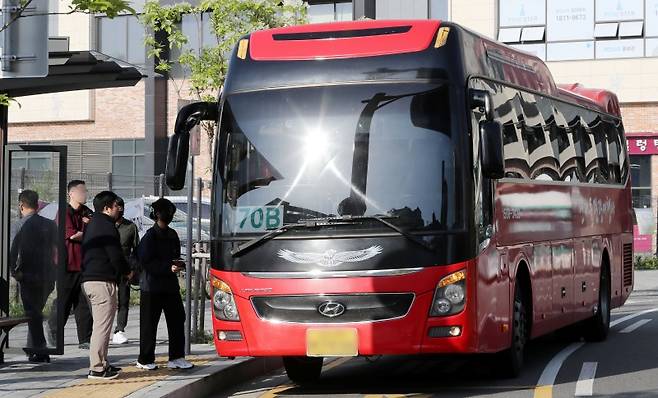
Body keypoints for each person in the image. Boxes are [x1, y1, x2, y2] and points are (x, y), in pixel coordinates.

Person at [136, 198, 193, 371]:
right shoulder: (149, 237)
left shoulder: (172, 234)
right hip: (151, 286)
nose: (167, 215)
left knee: (177, 320)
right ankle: (145, 359)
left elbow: (175, 254)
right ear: (156, 214)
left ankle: (176, 357)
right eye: (164, 212)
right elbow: (145, 261)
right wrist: (167, 267)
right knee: (149, 324)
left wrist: (178, 264)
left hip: (170, 286)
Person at [81, 191, 132, 380]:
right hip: (102, 282)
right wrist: (127, 272)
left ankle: (103, 363)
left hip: (90, 280)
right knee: (102, 327)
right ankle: (97, 368)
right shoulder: (106, 226)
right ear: (107, 208)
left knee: (100, 325)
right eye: (115, 206)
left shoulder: (93, 224)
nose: (118, 208)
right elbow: (115, 255)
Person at [9, 190, 57, 363]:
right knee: (35, 313)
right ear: (37, 205)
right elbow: (58, 249)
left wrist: (14, 272)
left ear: (21, 205)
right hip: (48, 276)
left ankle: (41, 350)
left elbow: (12, 251)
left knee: (33, 314)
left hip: (28, 276)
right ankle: (34, 350)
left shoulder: (19, 225)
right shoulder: (50, 224)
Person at [47, 180, 93, 349]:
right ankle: (53, 331)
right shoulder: (64, 212)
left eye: (85, 190)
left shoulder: (87, 212)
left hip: (83, 265)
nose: (84, 193)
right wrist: (87, 230)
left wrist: (87, 229)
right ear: (71, 193)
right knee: (64, 302)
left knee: (83, 304)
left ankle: (85, 339)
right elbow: (73, 235)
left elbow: (93, 231)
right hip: (66, 265)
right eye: (81, 191)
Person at [112, 197, 140, 345]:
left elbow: (137, 250)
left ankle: (119, 329)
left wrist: (134, 269)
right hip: (107, 268)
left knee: (123, 300)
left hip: (125, 268)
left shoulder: (130, 227)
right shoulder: (105, 225)